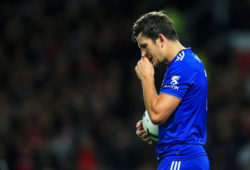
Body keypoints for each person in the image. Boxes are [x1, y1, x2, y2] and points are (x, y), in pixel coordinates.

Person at [133, 11, 210, 170]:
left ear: (160, 39)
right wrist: (152, 129)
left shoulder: (182, 66)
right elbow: (182, 116)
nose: (143, 55)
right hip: (188, 158)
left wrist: (146, 78)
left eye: (144, 46)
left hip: (181, 157)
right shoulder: (187, 62)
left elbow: (157, 114)